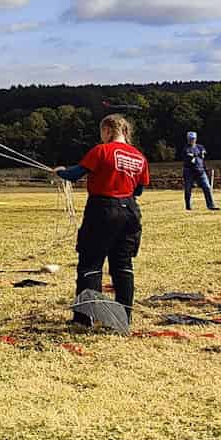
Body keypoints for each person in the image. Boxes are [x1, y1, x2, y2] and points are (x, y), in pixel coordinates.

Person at [55, 114, 150, 322]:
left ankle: (86, 318)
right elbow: (140, 189)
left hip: (103, 209)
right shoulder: (139, 157)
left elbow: (75, 174)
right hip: (130, 212)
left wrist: (61, 172)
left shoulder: (101, 150)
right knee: (123, 265)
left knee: (90, 264)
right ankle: (124, 317)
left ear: (107, 130)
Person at [183, 131, 218, 211]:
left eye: (193, 139)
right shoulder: (186, 148)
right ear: (187, 139)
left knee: (207, 187)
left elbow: (203, 152)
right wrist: (196, 155)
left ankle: (211, 205)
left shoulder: (200, 146)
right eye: (190, 139)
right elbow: (189, 155)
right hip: (189, 172)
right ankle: (188, 206)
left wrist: (202, 153)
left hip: (201, 171)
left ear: (196, 139)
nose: (192, 140)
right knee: (188, 189)